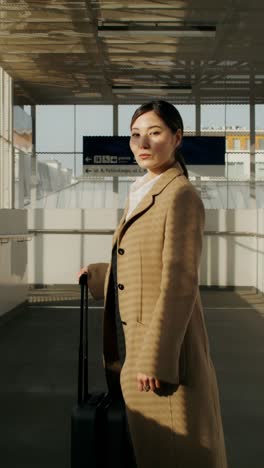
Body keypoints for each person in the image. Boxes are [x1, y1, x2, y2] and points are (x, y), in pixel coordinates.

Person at [78, 100, 228, 468]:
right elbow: (144, 261)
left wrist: (156, 359)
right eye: (135, 134)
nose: (143, 142)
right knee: (153, 452)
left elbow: (180, 281)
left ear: (177, 138)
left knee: (175, 454)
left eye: (155, 132)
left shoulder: (180, 196)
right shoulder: (143, 191)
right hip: (137, 352)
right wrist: (101, 274)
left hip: (161, 358)